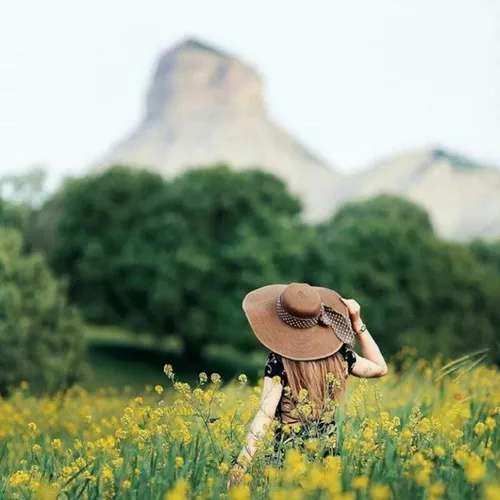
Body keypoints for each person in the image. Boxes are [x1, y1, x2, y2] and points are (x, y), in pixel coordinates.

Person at [229, 282, 388, 481]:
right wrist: (357, 323)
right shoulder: (341, 357)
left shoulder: (279, 362)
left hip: (287, 462)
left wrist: (240, 467)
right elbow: (380, 368)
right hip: (327, 461)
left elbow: (265, 416)